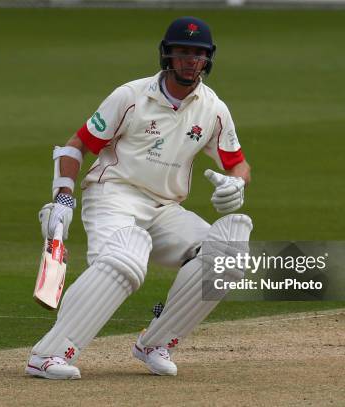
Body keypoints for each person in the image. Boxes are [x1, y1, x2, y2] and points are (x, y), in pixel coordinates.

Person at [26, 16, 253, 380]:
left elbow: (238, 163)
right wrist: (63, 199)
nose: (190, 61)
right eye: (182, 52)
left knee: (227, 252)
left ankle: (155, 342)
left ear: (208, 59)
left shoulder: (214, 109)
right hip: (113, 196)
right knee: (125, 260)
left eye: (197, 54)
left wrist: (236, 184)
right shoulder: (131, 96)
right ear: (167, 55)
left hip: (165, 208)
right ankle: (48, 355)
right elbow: (76, 146)